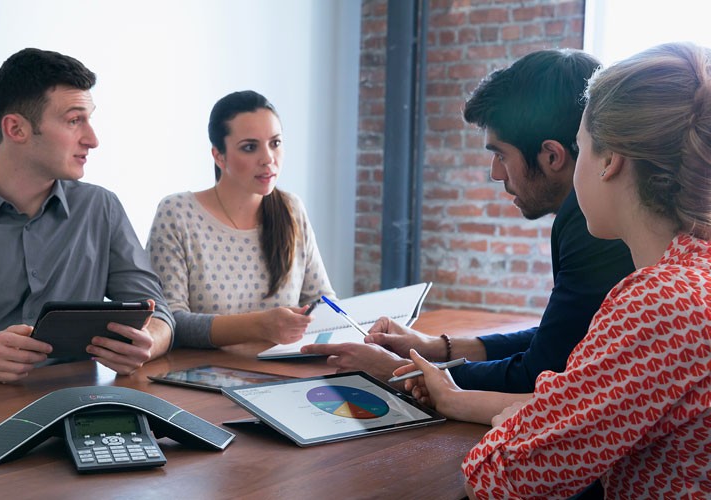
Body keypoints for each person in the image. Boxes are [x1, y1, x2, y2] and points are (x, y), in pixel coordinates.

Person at [400, 41, 711, 499]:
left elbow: (501, 475)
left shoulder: (660, 303)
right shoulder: (691, 277)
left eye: (582, 147)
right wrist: (519, 409)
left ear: (610, 161)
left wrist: (528, 420)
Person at [301, 49, 635, 393]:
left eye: (501, 155)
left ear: (552, 156)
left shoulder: (593, 227)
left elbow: (538, 374)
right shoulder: (587, 219)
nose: (494, 173)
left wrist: (399, 371)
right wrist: (438, 348)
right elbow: (562, 339)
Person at [0, 48, 175, 385]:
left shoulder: (101, 208)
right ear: (17, 129)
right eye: (73, 120)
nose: (92, 139)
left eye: (89, 118)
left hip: (78, 408)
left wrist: (148, 342)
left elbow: (160, 315)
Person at [147, 90, 334, 348]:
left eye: (275, 143)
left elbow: (322, 301)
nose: (268, 158)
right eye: (250, 147)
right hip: (197, 377)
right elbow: (169, 322)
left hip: (282, 373)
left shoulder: (292, 209)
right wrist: (259, 326)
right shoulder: (177, 213)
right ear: (218, 156)